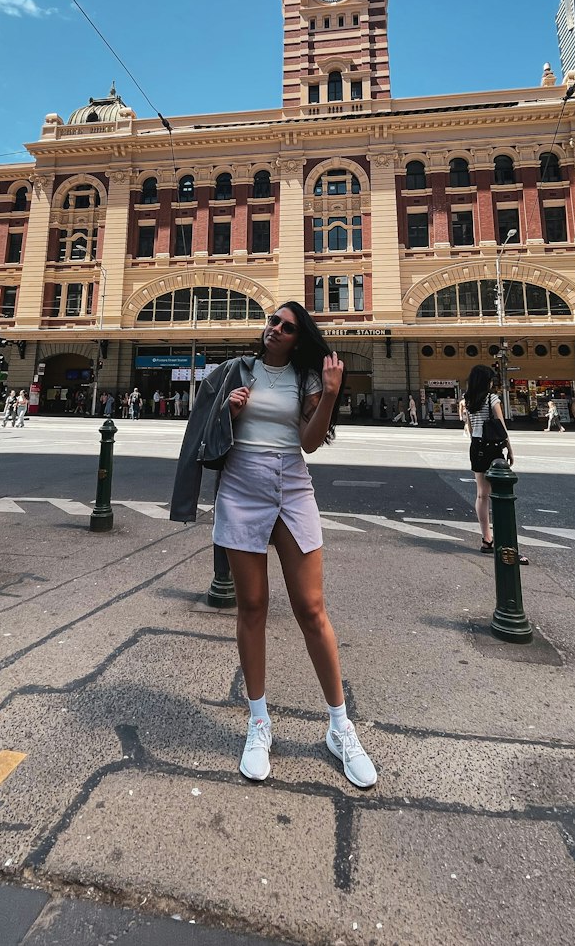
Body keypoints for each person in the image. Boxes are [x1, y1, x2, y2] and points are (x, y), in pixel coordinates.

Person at [170, 302, 377, 790]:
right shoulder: (238, 370)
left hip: (292, 484)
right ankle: (259, 721)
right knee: (253, 607)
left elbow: (309, 441)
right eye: (271, 322)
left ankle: (339, 726)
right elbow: (208, 429)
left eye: (285, 327)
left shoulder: (306, 379)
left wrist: (329, 394)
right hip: (241, 486)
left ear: (298, 337)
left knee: (311, 608)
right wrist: (230, 411)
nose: (274, 330)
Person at [462, 363, 527, 563]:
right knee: (500, 495)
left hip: (476, 447)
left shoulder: (468, 399)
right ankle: (504, 541)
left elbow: (471, 428)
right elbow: (501, 425)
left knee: (481, 494)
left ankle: (486, 539)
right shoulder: (492, 399)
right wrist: (510, 448)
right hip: (493, 448)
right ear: (486, 381)